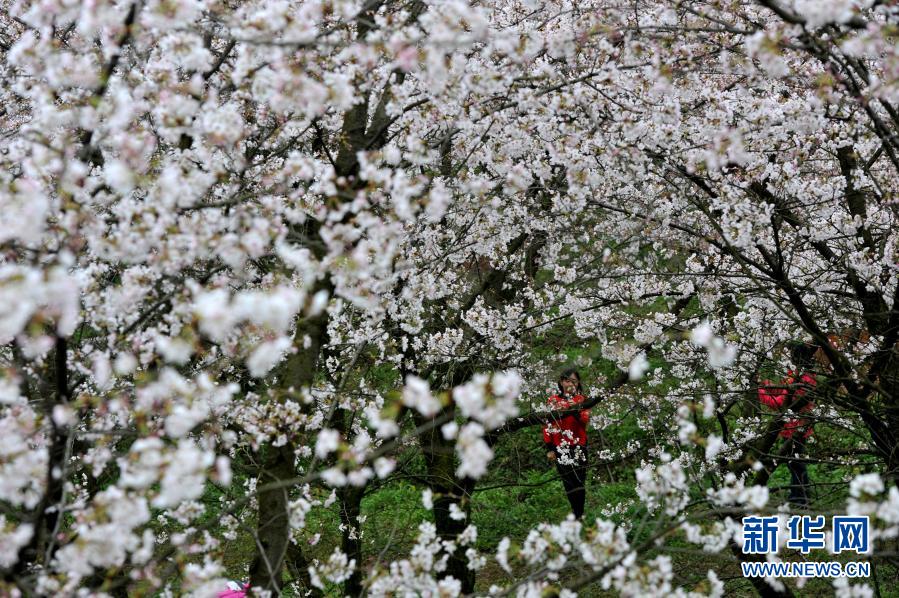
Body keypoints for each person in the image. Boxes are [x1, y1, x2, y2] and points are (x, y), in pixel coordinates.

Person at [758, 342, 818, 507]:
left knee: (796, 464)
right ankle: (800, 496)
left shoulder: (802, 379)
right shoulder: (802, 375)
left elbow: (779, 403)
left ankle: (800, 498)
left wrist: (760, 392)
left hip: (795, 428)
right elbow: (784, 392)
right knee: (796, 463)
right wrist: (767, 385)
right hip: (797, 426)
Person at [543, 368, 590, 519]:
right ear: (561, 383)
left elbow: (584, 421)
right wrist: (550, 448)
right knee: (568, 481)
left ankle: (579, 513)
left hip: (579, 444)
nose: (570, 384)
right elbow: (547, 426)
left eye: (574, 381)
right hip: (559, 446)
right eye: (567, 380)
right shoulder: (553, 401)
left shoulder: (582, 400)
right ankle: (576, 513)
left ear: (578, 383)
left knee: (579, 480)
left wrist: (572, 408)